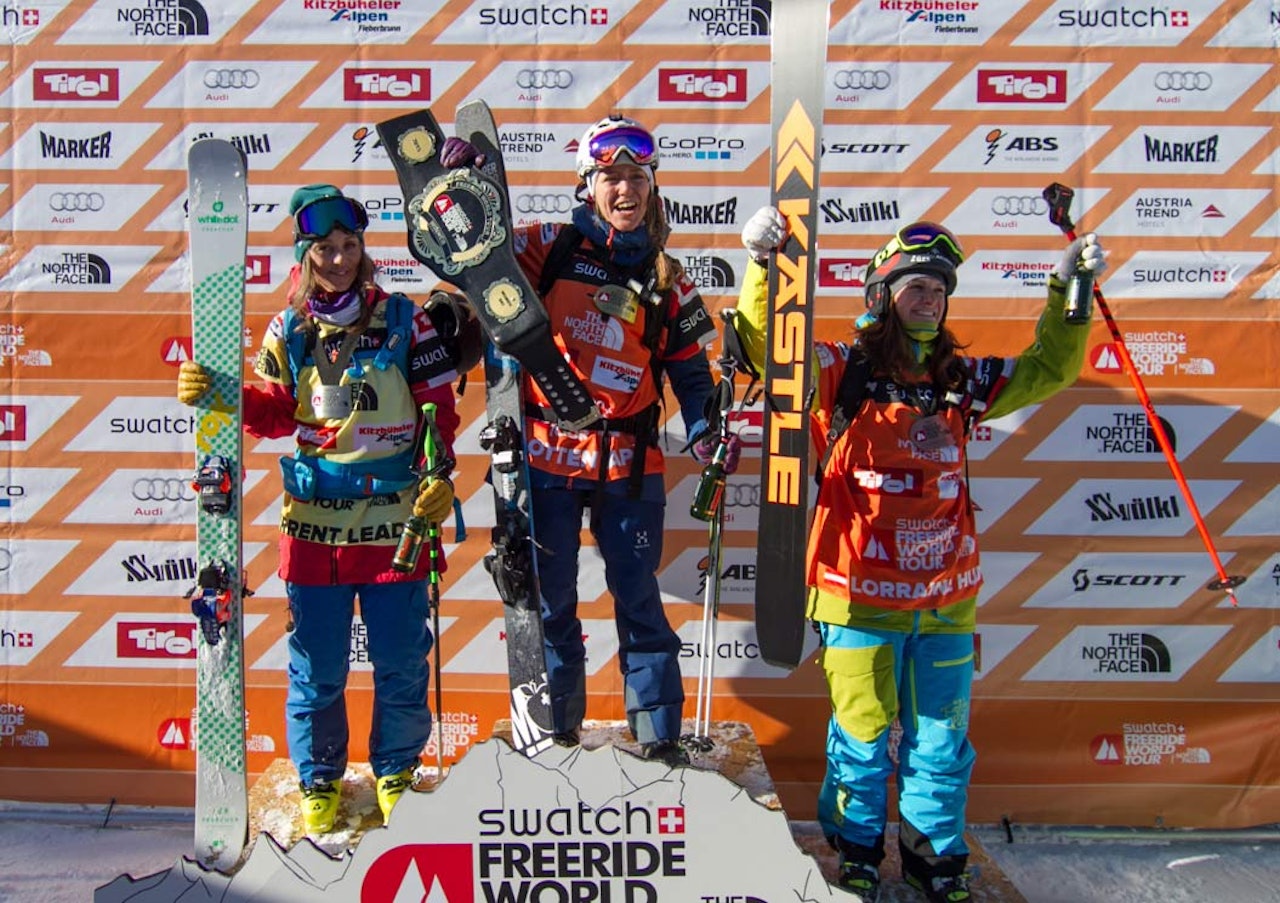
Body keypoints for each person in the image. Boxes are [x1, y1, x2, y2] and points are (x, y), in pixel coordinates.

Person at [735, 207, 1105, 902]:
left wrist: (1069, 295)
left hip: (945, 601)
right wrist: (763, 271)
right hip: (857, 595)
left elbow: (1048, 369)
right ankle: (858, 854)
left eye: (938, 290)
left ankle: (935, 857)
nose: (929, 300)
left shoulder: (959, 381)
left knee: (940, 745)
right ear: (881, 294)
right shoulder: (840, 372)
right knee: (864, 741)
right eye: (914, 288)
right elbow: (769, 356)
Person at [446, 114, 739, 766]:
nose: (626, 189)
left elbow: (692, 376)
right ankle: (559, 731)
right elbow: (472, 259)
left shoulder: (667, 276)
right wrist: (461, 189)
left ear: (652, 185)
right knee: (552, 604)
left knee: (639, 602)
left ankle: (659, 736)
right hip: (547, 461)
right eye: (612, 177)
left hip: (629, 468)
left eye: (637, 176)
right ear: (588, 184)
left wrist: (703, 429)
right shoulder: (548, 246)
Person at [176, 184, 464, 834]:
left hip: (396, 521)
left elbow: (438, 411)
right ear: (305, 256)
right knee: (317, 665)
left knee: (399, 658)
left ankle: (394, 771)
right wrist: (226, 394)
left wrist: (440, 474)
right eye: (325, 249)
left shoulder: (402, 317)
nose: (339, 259)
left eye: (349, 246)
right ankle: (321, 779)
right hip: (316, 529)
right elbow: (280, 412)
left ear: (364, 249)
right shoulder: (292, 329)